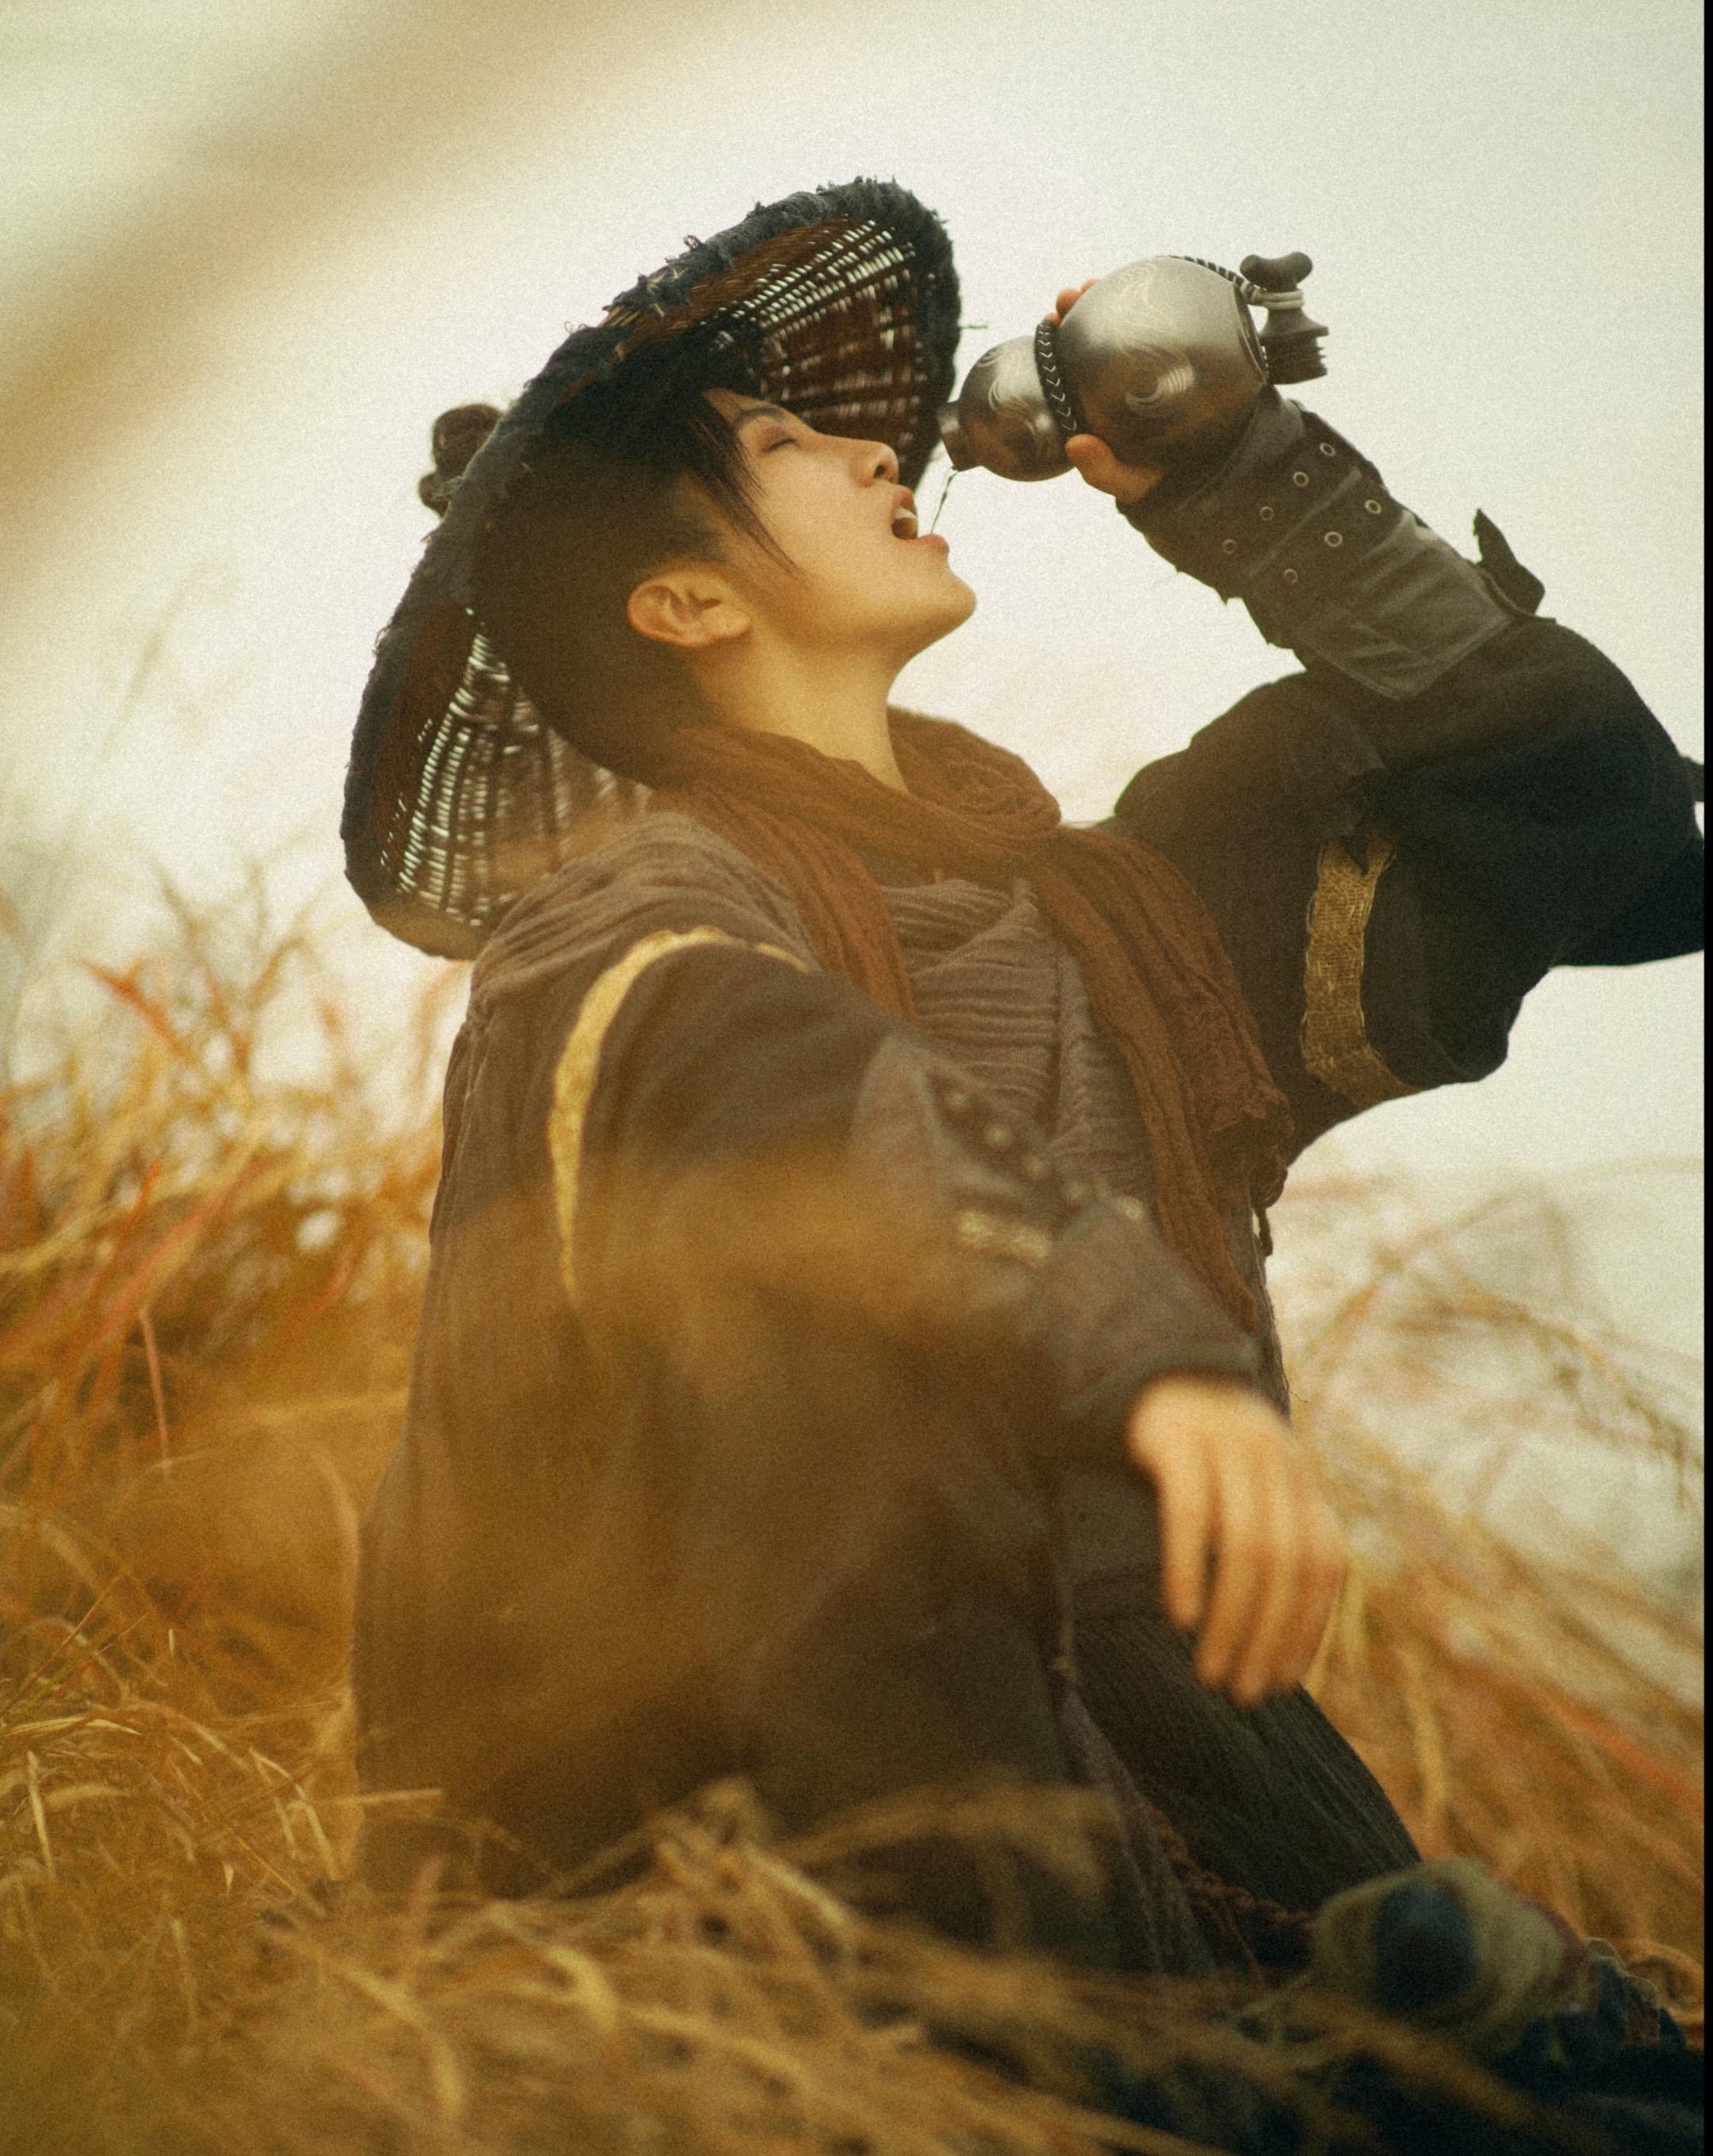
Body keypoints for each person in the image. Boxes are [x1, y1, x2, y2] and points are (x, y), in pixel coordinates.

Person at [342, 179, 1702, 1981]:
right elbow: (762, 1075)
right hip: (760, 1793)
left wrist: (1252, 487)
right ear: (684, 598)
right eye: (780, 444)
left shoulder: (1131, 929)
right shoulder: (617, 928)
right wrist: (1134, 1341)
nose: (875, 452)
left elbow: (1595, 817)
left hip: (1201, 1780)